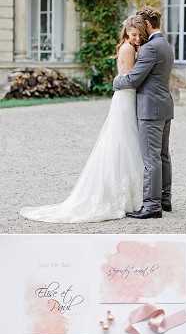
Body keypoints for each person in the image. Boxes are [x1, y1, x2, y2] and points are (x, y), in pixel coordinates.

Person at [19, 16, 145, 223]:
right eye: (133, 35)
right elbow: (130, 78)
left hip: (125, 97)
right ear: (126, 33)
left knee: (123, 140)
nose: (137, 38)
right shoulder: (128, 49)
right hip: (126, 96)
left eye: (139, 35)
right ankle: (125, 195)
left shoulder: (128, 47)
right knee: (124, 141)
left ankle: (130, 191)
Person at [113, 6, 175, 219]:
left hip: (150, 109)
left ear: (147, 24)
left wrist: (116, 82)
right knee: (163, 156)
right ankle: (165, 199)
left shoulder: (150, 48)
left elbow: (133, 79)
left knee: (151, 159)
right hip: (165, 106)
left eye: (142, 26)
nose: (140, 31)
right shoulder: (166, 44)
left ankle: (152, 205)